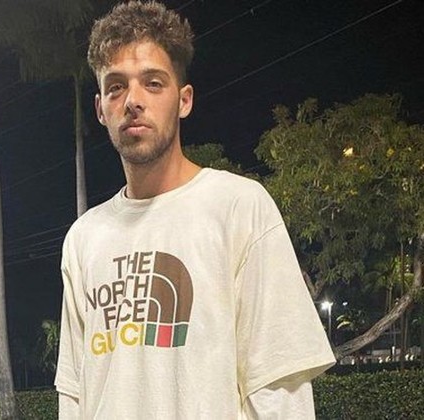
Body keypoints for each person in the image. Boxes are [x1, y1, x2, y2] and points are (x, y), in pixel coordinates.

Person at [55, 1, 335, 418]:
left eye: (153, 83)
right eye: (116, 87)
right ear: (100, 109)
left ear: (184, 100)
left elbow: (278, 388)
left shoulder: (239, 206)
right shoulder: (84, 238)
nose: (133, 101)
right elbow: (74, 394)